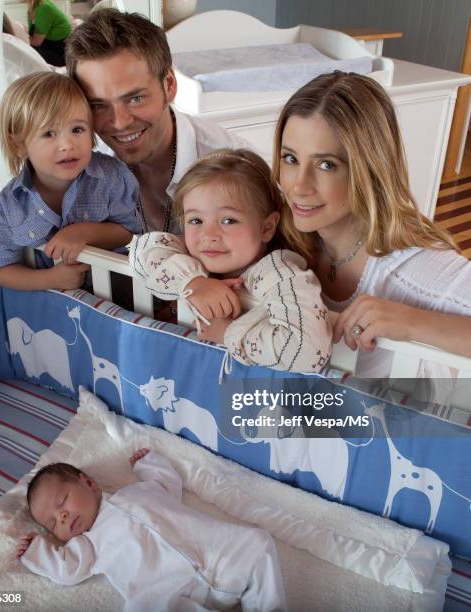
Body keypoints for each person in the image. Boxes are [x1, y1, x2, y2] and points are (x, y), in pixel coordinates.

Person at [273, 71, 471, 376]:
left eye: (326, 165)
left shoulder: (415, 266)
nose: (299, 186)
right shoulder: (281, 237)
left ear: (369, 169)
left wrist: (410, 322)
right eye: (290, 159)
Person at [129, 149, 332, 374]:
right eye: (196, 220)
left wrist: (227, 333)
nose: (209, 235)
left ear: (267, 227)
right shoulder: (189, 255)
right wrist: (192, 282)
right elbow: (142, 249)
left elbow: (306, 350)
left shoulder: (278, 272)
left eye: (228, 220)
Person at [16, 448, 286, 612]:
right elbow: (66, 569)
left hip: (217, 554)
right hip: (167, 592)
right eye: (52, 524)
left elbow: (167, 480)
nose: (61, 516)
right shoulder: (87, 546)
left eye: (62, 501)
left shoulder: (139, 490)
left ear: (88, 482)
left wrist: (147, 463)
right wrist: (36, 549)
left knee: (257, 543)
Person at [65, 9, 247, 235]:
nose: (119, 123)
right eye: (98, 105)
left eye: (135, 98)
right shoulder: (79, 164)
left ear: (169, 85)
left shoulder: (238, 170)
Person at [0, 72, 139, 292]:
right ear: (18, 145)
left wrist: (83, 233)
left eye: (77, 129)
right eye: (49, 133)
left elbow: (130, 233)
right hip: (52, 306)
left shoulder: (111, 177)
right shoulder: (10, 207)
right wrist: (50, 280)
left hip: (120, 298)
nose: (67, 144)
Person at [27, 0, 72, 67]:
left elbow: (36, 42)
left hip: (61, 51)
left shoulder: (43, 7)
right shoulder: (34, 6)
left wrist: (19, 37)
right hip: (51, 43)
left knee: (30, 52)